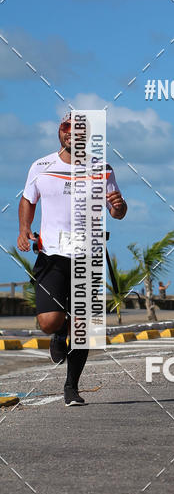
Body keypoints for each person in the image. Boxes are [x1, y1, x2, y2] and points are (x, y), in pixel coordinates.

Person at [17, 112, 127, 406]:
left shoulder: (102, 168)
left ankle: (71, 387)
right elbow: (28, 199)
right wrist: (25, 229)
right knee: (50, 322)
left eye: (79, 130)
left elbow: (117, 209)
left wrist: (118, 207)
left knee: (84, 328)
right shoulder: (41, 166)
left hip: (88, 257)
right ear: (61, 132)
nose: (72, 134)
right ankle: (57, 334)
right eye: (68, 129)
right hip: (52, 255)